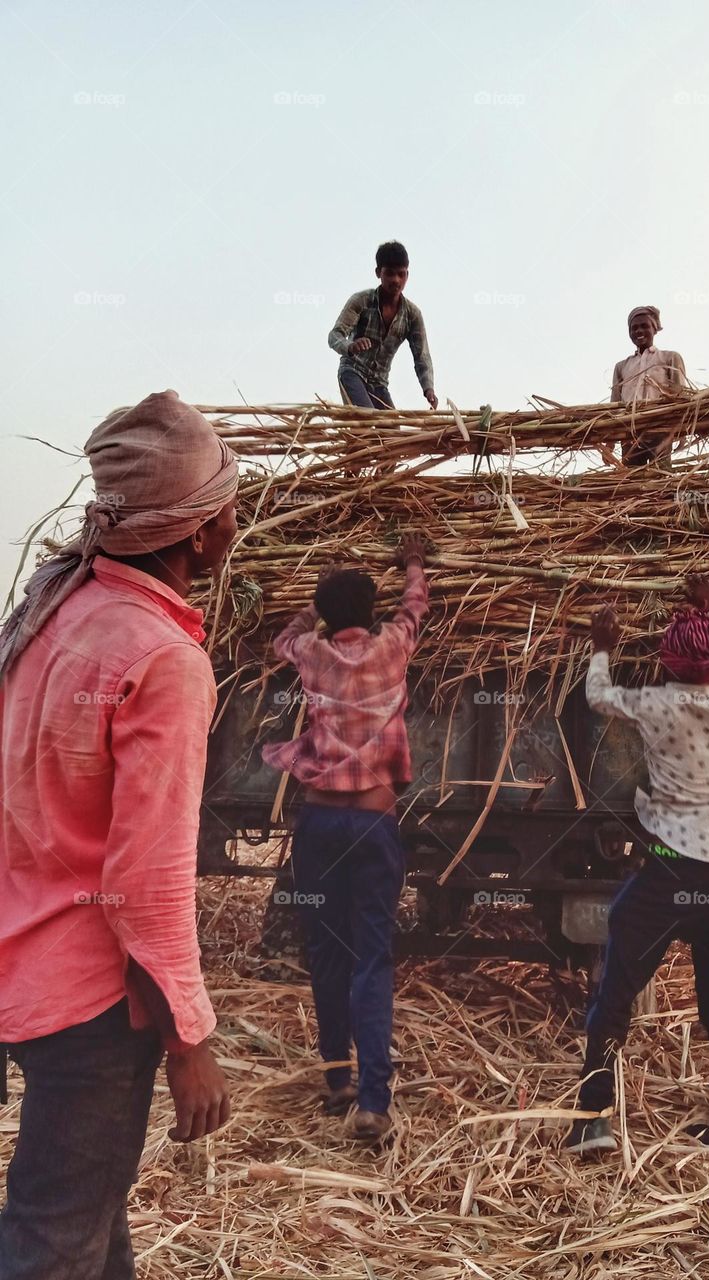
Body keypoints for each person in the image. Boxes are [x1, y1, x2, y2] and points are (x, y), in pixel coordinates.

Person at [0, 390, 238, 1279]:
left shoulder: (53, 612)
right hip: (92, 1002)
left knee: (89, 1216)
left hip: (22, 961)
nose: (237, 518)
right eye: (230, 504)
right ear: (203, 528)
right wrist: (191, 1044)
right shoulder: (162, 658)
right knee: (55, 1232)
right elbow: (146, 883)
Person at [564, 574, 709, 1161]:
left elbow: (599, 698)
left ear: (668, 662)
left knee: (615, 992)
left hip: (666, 872)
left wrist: (601, 645)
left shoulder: (658, 703)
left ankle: (592, 1118)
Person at [262, 533, 430, 1143]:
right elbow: (416, 606)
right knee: (371, 957)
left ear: (330, 618)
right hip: (371, 825)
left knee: (327, 951)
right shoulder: (392, 647)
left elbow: (282, 638)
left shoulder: (310, 650)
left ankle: (337, 1079)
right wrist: (412, 560)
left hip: (319, 825)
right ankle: (373, 1103)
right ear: (373, 613)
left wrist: (312, 610)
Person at [328, 241, 438, 411]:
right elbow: (335, 335)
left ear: (407, 275)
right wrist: (350, 346)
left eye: (401, 274)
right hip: (352, 372)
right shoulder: (361, 300)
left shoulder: (412, 315)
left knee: (393, 430)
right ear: (378, 272)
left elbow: (421, 356)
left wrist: (428, 388)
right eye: (390, 274)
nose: (396, 280)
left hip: (379, 383)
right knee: (368, 419)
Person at [611, 305, 687, 465]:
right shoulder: (621, 366)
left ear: (655, 329)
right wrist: (610, 440)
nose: (638, 331)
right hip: (629, 433)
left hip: (660, 428)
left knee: (660, 478)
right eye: (634, 328)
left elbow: (681, 397)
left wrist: (681, 431)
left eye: (644, 326)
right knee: (630, 481)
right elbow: (614, 405)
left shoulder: (670, 358)